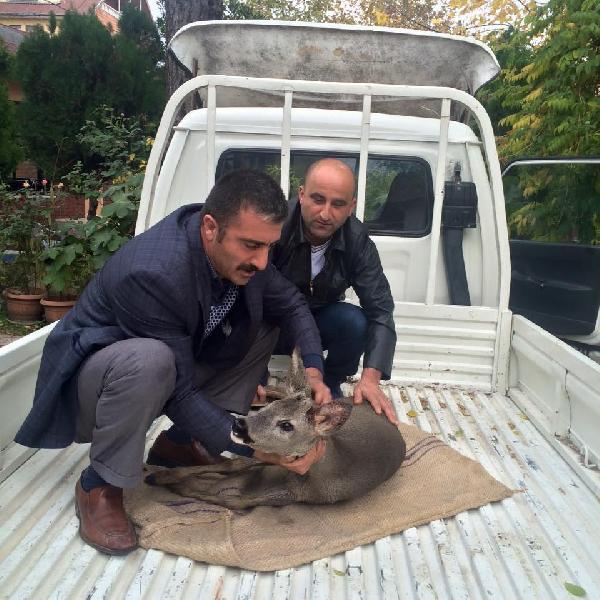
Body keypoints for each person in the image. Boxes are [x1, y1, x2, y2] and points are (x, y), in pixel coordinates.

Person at [15, 170, 330, 555]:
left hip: (171, 367)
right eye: (251, 246)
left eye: (269, 247)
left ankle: (181, 444)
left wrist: (313, 368)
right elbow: (177, 390)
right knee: (151, 359)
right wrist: (253, 446)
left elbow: (293, 304)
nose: (263, 261)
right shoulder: (152, 272)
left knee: (262, 321)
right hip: (96, 389)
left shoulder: (241, 252)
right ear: (211, 227)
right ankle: (98, 484)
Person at [271, 158, 397, 423]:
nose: (326, 214)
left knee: (354, 321)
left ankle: (330, 384)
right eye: (318, 199)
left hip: (320, 321)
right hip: (273, 322)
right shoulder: (274, 226)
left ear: (351, 207)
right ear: (302, 195)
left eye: (338, 204)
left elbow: (381, 310)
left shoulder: (356, 240)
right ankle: (254, 382)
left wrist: (371, 379)